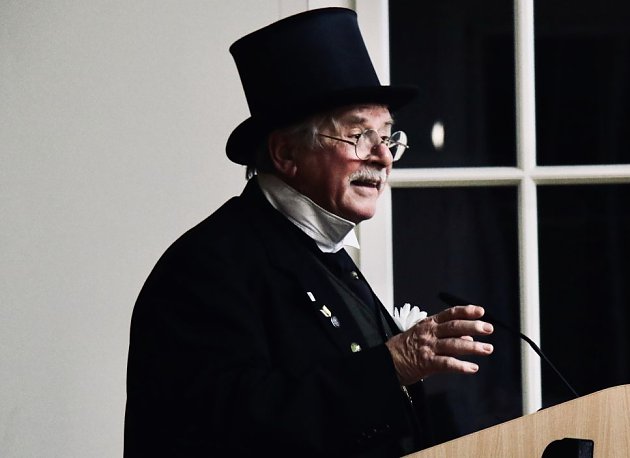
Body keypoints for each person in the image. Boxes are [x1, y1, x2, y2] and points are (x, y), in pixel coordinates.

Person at [124, 8, 494, 457]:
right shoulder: (207, 266)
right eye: (360, 136)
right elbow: (228, 426)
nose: (384, 158)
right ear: (285, 152)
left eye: (389, 137)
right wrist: (394, 363)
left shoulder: (326, 254)